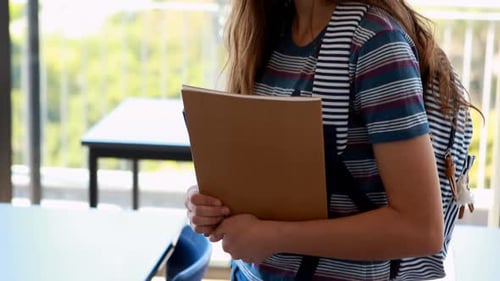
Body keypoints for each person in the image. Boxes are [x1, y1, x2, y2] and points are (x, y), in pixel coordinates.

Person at [185, 0, 478, 280]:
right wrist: (211, 200)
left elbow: (421, 229)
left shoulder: (376, 43)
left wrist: (273, 236)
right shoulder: (268, 31)